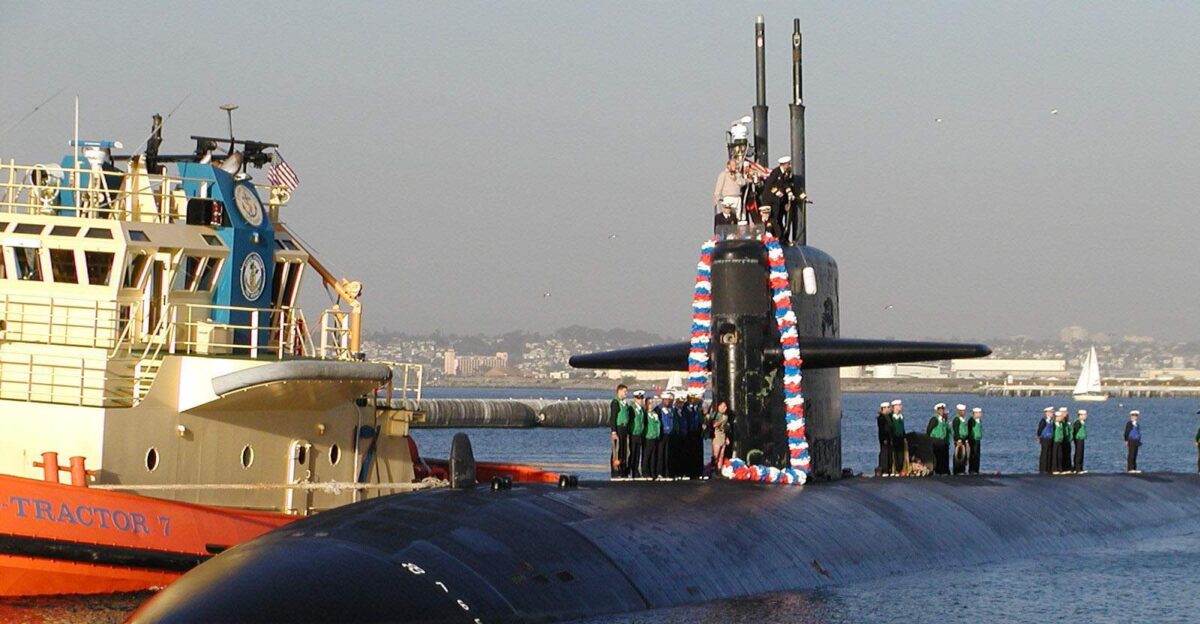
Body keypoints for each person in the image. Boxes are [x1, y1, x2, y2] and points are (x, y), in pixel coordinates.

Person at [759, 156, 795, 235]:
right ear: (784, 165)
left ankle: (779, 236)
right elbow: (769, 184)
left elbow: (785, 183)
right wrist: (777, 191)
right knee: (772, 217)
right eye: (788, 164)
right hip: (769, 199)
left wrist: (789, 192)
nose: (789, 166)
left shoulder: (785, 173)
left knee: (778, 217)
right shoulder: (776, 172)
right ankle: (770, 234)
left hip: (777, 200)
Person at [609, 384, 631, 478]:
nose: (626, 393)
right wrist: (613, 431)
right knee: (616, 451)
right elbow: (613, 418)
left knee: (624, 451)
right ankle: (615, 472)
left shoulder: (625, 403)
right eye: (624, 391)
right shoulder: (615, 402)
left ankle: (623, 472)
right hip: (618, 428)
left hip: (624, 429)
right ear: (619, 391)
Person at [926, 403, 952, 475]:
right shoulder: (934, 419)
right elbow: (929, 430)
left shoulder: (943, 420)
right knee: (937, 456)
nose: (942, 411)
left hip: (942, 441)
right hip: (935, 440)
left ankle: (942, 470)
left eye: (943, 410)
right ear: (937, 411)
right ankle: (937, 470)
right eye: (940, 410)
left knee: (942, 456)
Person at [628, 391, 647, 479]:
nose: (640, 400)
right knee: (632, 453)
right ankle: (632, 471)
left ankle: (635, 470)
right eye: (639, 398)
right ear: (635, 399)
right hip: (633, 433)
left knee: (637, 453)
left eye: (642, 398)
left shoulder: (642, 410)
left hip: (639, 433)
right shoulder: (632, 408)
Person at [643, 397, 662, 478]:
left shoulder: (655, 414)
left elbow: (658, 425)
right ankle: (645, 472)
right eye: (649, 403)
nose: (651, 405)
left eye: (652, 403)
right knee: (647, 455)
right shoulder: (645, 413)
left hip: (654, 437)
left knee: (654, 456)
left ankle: (653, 473)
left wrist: (657, 434)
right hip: (648, 437)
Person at [657, 392, 675, 478]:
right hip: (662, 434)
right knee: (661, 454)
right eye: (667, 400)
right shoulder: (658, 409)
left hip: (669, 434)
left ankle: (667, 472)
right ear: (663, 400)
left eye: (670, 400)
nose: (668, 402)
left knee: (668, 454)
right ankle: (660, 472)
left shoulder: (671, 409)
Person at [711, 400, 730, 471]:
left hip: (723, 435)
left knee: (722, 454)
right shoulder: (715, 415)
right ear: (719, 406)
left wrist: (726, 437)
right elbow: (714, 425)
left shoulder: (725, 416)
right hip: (717, 435)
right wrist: (720, 420)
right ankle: (713, 470)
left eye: (726, 407)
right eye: (723, 406)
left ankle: (719, 470)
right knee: (716, 454)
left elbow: (725, 427)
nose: (725, 408)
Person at [950, 404, 970, 475]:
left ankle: (962, 469)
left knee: (964, 455)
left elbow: (965, 429)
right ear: (959, 411)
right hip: (959, 439)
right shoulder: (956, 419)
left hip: (964, 439)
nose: (964, 412)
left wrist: (966, 439)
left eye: (964, 411)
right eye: (962, 411)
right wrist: (958, 439)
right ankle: (957, 470)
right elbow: (956, 430)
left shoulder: (964, 420)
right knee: (958, 455)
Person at [890, 399, 908, 475]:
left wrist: (904, 437)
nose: (901, 407)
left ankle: (899, 469)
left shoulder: (901, 417)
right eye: (899, 405)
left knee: (901, 455)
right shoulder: (891, 417)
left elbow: (903, 428)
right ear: (895, 407)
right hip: (894, 438)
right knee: (895, 454)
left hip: (900, 438)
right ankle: (894, 470)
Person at [876, 402, 893, 476]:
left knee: (888, 453)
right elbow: (883, 429)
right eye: (888, 407)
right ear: (884, 408)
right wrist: (885, 438)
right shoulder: (881, 418)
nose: (889, 409)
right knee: (884, 453)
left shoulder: (888, 417)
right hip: (884, 438)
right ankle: (884, 469)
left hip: (888, 437)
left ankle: (888, 469)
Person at [1051, 409, 1070, 474]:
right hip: (1055, 441)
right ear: (1056, 417)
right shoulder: (1053, 424)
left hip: (1060, 440)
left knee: (1060, 455)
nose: (1061, 418)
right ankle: (1054, 469)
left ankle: (1060, 469)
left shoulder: (1061, 424)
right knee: (1055, 455)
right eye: (1059, 417)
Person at [1037, 407, 1054, 473]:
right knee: (1044, 454)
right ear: (1047, 413)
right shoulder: (1043, 421)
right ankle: (1043, 469)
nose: (1052, 413)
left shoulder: (1051, 421)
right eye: (1051, 412)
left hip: (1050, 439)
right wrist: (1039, 438)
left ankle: (1048, 468)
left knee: (1049, 453)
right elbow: (1039, 431)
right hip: (1044, 439)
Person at [967, 407, 983, 474]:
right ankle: (972, 469)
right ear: (975, 413)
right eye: (979, 413)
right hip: (972, 439)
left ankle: (976, 469)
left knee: (977, 455)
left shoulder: (979, 421)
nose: (980, 414)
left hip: (978, 439)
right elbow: (969, 430)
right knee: (973, 454)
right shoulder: (971, 420)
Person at [1071, 409, 1088, 473]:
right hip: (1078, 439)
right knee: (1078, 453)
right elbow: (1075, 431)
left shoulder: (1082, 422)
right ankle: (1077, 468)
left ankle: (1080, 468)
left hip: (1081, 439)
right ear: (1080, 415)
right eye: (1084, 415)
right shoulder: (1077, 422)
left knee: (1081, 453)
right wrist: (1075, 439)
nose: (1086, 416)